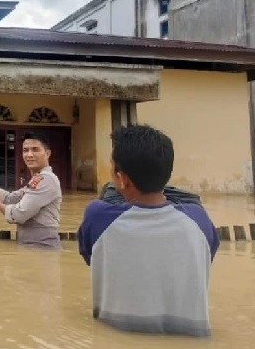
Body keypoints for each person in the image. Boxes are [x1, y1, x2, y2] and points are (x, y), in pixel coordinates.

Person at [76, 125, 220, 337]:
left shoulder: (98, 217)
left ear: (122, 179)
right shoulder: (198, 219)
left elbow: (91, 256)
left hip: (118, 338)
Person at [0, 132, 62, 249]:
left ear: (47, 153)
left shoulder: (45, 180)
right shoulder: (37, 179)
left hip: (43, 247)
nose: (29, 154)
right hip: (33, 247)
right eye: (25, 150)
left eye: (35, 150)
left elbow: (20, 214)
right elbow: (9, 198)